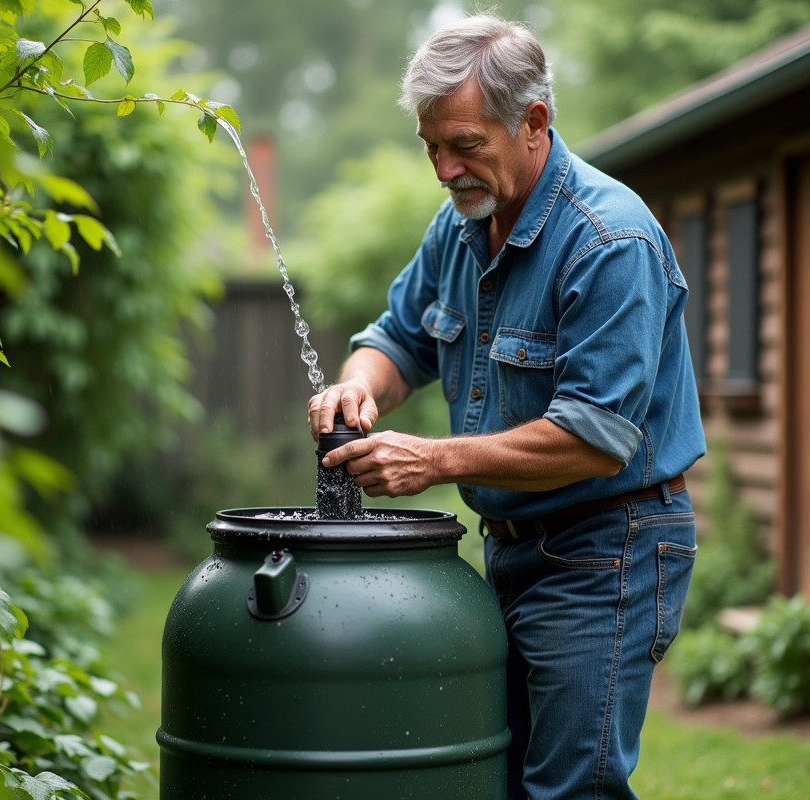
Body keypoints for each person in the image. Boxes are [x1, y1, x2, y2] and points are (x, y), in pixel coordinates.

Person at [307, 13, 705, 800]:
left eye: (464, 145)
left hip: (607, 549)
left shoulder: (608, 241)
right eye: (431, 147)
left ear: (533, 122)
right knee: (492, 778)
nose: (444, 169)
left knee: (569, 789)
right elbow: (397, 338)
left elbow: (595, 438)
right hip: (509, 548)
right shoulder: (461, 226)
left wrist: (433, 460)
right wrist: (361, 381)